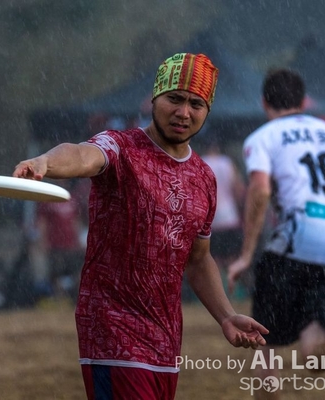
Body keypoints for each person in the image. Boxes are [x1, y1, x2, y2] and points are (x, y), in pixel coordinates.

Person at [14, 53, 268, 400]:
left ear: (207, 111)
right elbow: (81, 154)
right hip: (111, 327)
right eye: (175, 99)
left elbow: (198, 259)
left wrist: (225, 315)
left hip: (165, 337)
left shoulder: (204, 177)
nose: (184, 112)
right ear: (154, 99)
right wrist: (45, 161)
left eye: (196, 103)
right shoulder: (121, 148)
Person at [227, 68, 325, 399]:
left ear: (264, 102)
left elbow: (260, 191)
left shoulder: (263, 137)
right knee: (314, 348)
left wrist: (245, 255)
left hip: (295, 244)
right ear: (303, 101)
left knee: (264, 343)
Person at [201, 137, 246, 297]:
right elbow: (238, 189)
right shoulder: (227, 163)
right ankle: (235, 294)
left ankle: (216, 295)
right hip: (230, 217)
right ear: (218, 148)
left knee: (214, 260)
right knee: (232, 258)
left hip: (210, 220)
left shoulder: (201, 163)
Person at [34, 179, 86, 302]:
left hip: (71, 244)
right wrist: (43, 240)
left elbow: (76, 220)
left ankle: (72, 298)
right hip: (55, 244)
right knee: (56, 273)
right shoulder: (48, 199)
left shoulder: (72, 198)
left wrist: (78, 239)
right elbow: (42, 222)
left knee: (75, 272)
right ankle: (58, 299)